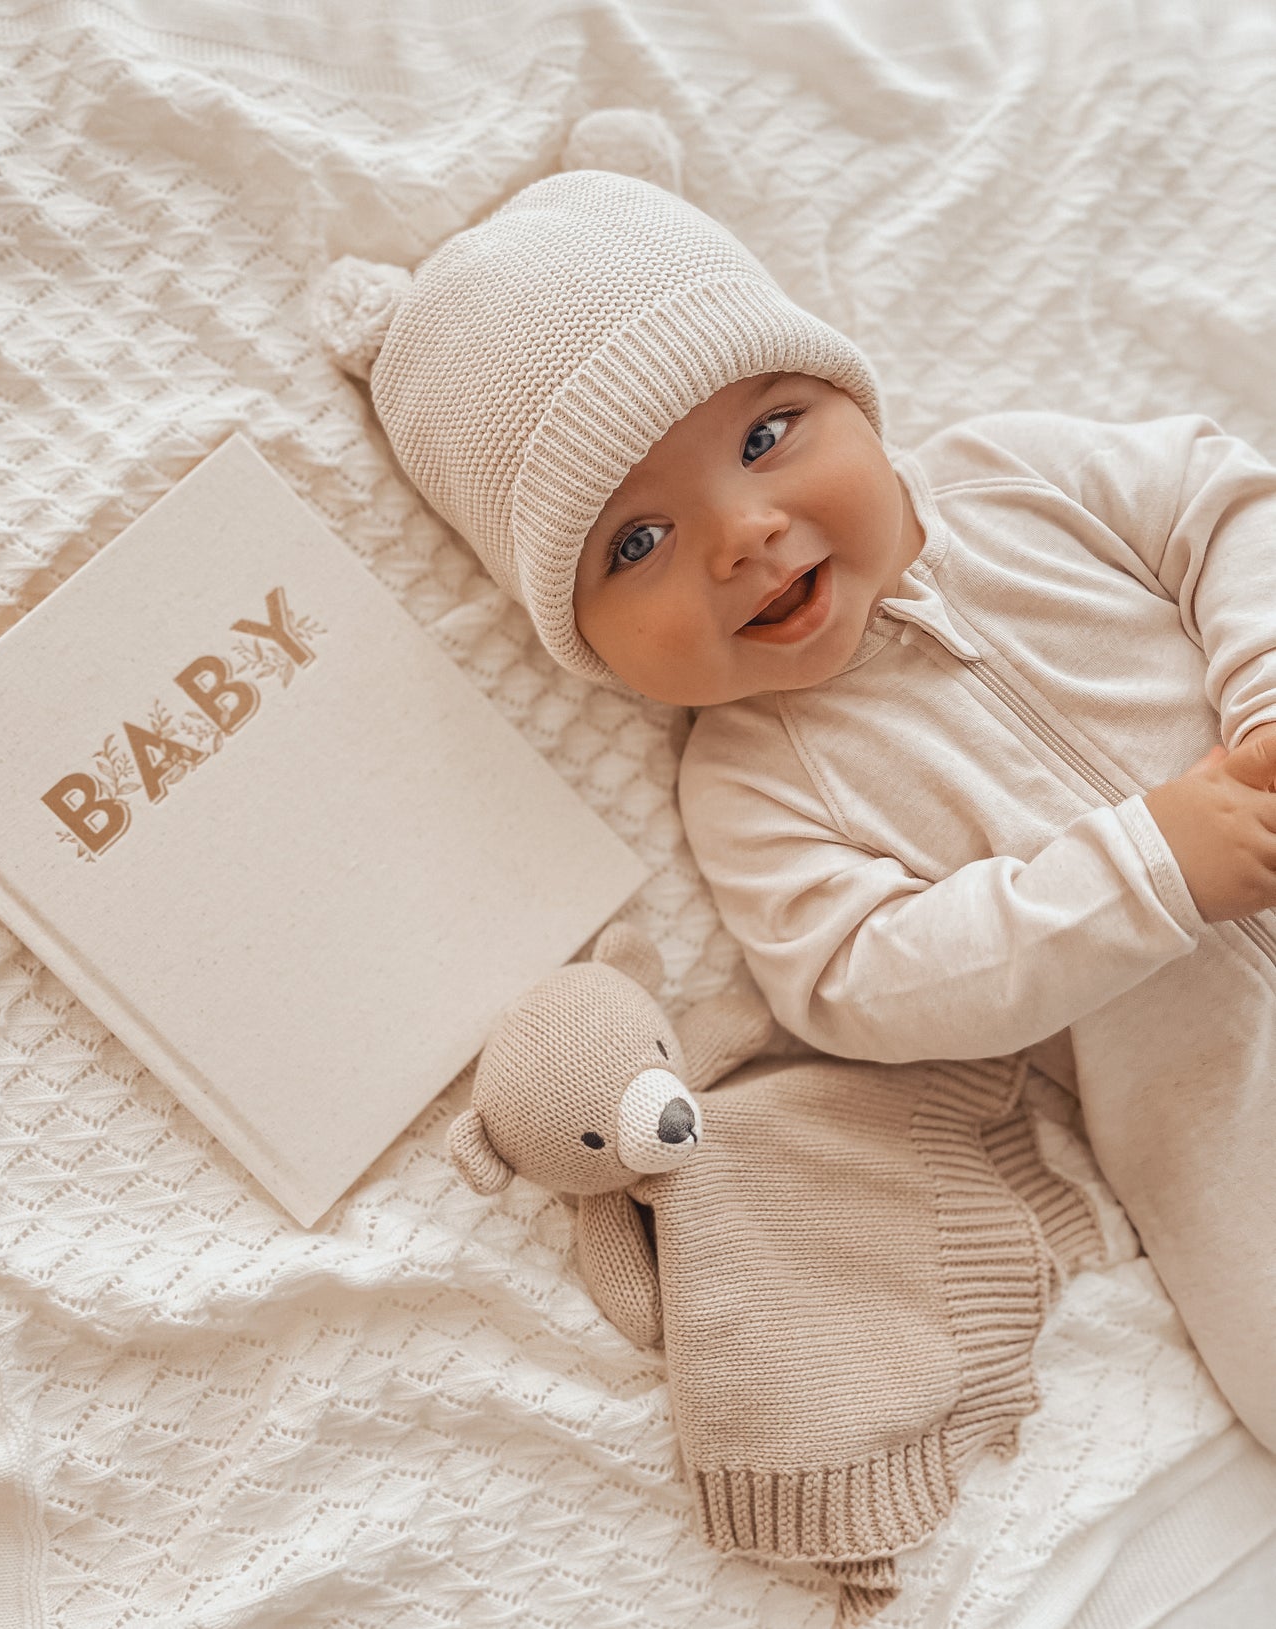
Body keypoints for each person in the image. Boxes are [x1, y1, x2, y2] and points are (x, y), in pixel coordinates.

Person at [316, 156, 1276, 1453]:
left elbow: (1226, 508)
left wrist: (1260, 689)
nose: (742, 531)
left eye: (766, 435)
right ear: (583, 638)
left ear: (853, 400)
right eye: (634, 542)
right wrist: (1147, 867)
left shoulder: (1015, 476)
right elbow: (866, 981)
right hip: (1227, 1121)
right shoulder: (751, 780)